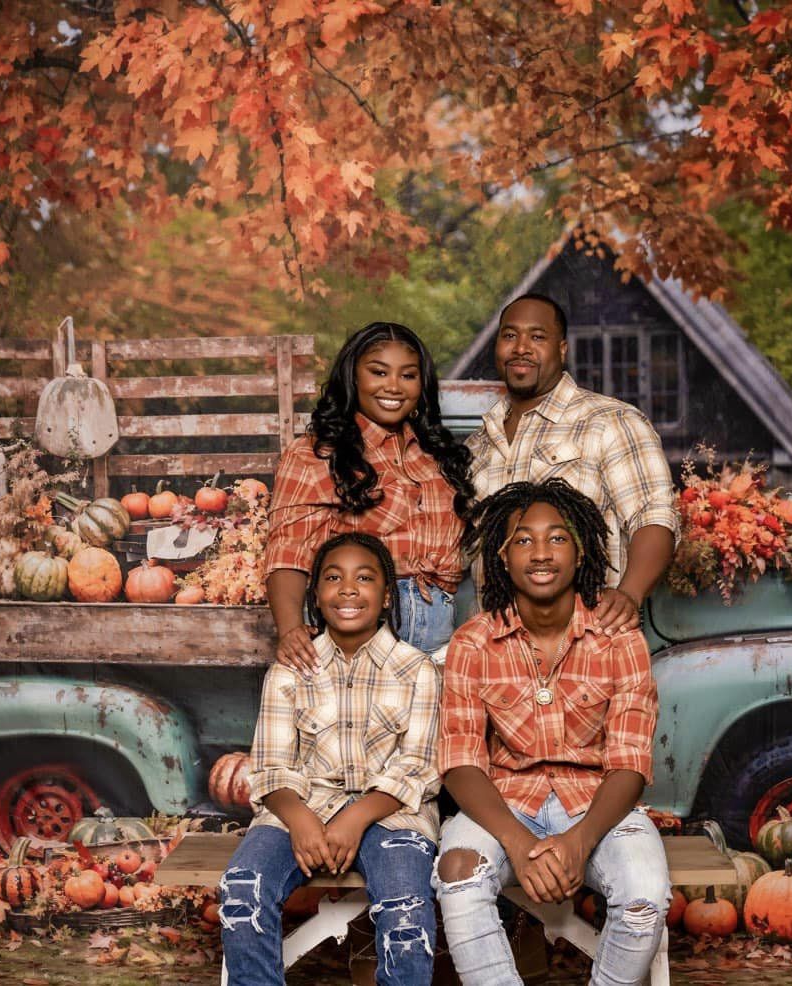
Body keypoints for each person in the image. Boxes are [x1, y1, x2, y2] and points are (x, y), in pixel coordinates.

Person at [434, 479, 669, 986]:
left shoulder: (619, 639)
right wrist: (518, 843)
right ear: (501, 557)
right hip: (504, 802)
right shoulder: (473, 642)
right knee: (457, 874)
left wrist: (580, 841)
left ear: (582, 552)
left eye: (557, 538)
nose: (541, 553)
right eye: (523, 540)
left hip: (597, 803)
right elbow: (460, 760)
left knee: (645, 895)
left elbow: (630, 761)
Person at [220, 532, 441, 986]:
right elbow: (271, 766)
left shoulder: (417, 669)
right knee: (242, 891)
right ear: (316, 597)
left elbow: (419, 767)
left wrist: (355, 818)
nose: (347, 589)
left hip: (392, 816)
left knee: (406, 913)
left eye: (365, 578)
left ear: (384, 598)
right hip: (300, 808)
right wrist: (300, 820)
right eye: (333, 578)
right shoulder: (290, 670)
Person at [467, 292, 678, 635]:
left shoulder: (610, 421)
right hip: (498, 657)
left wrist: (629, 593)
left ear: (562, 349)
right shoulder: (477, 445)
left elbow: (653, 516)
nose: (521, 347)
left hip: (589, 649)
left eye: (537, 337)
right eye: (509, 335)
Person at [268, 321, 474, 672]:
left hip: (440, 635)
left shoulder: (436, 456)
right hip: (363, 628)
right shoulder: (316, 454)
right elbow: (288, 550)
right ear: (353, 376)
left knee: (430, 726)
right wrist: (289, 629)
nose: (393, 386)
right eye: (379, 372)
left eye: (408, 375)